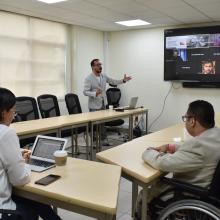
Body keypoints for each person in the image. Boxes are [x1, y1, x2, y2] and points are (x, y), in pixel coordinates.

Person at [135, 100, 220, 219]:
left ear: (193, 121)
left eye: (185, 118)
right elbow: (192, 149)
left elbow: (163, 162)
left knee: (143, 196)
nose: (185, 122)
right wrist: (171, 147)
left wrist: (148, 151)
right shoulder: (215, 134)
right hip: (209, 192)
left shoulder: (198, 146)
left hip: (190, 194)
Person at [0, 87, 61, 220]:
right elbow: (19, 179)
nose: (14, 115)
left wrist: (17, 154)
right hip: (3, 211)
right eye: (13, 111)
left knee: (36, 201)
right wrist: (25, 163)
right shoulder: (6, 133)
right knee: (35, 200)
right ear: (4, 112)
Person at [83, 59, 131, 143]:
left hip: (103, 103)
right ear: (93, 67)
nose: (100, 66)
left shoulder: (103, 76)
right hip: (94, 105)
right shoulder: (88, 78)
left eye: (100, 64)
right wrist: (94, 93)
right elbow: (85, 92)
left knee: (102, 123)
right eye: (98, 65)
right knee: (95, 124)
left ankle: (103, 140)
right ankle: (94, 142)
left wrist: (123, 80)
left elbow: (113, 81)